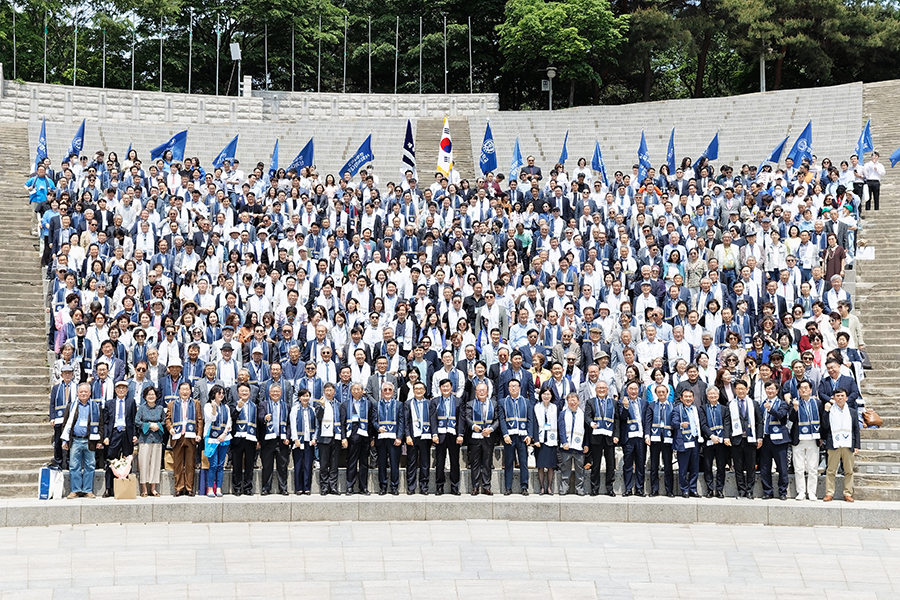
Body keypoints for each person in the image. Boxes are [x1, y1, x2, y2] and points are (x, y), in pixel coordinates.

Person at [60, 383, 105, 498]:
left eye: (86, 392)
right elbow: (65, 424)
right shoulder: (71, 406)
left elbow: (100, 425)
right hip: (75, 440)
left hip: (90, 440)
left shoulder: (95, 407)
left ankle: (87, 490)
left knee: (90, 465)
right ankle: (75, 490)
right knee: (74, 465)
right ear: (77, 393)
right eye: (81, 392)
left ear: (90, 393)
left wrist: (99, 440)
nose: (83, 394)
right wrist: (65, 440)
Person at [724, 379, 763, 499]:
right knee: (738, 467)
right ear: (735, 390)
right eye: (738, 389)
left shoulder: (754, 404)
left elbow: (759, 421)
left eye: (743, 388)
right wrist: (726, 436)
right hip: (736, 439)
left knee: (751, 467)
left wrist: (760, 437)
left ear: (747, 390)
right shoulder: (730, 404)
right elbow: (727, 422)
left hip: (750, 439)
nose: (740, 391)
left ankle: (750, 490)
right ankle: (741, 490)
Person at [821, 388, 859, 502]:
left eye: (842, 396)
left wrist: (856, 445)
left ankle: (847, 493)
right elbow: (825, 426)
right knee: (831, 470)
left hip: (848, 444)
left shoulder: (852, 411)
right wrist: (826, 412)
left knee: (849, 470)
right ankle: (829, 493)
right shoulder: (830, 410)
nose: (840, 398)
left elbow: (856, 429)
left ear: (846, 398)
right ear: (834, 398)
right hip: (834, 443)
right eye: (838, 396)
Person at [165, 381, 202, 496]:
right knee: (178, 464)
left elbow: (199, 420)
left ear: (190, 391)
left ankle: (189, 487)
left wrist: (199, 434)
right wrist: (170, 428)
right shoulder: (172, 404)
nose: (185, 392)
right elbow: (167, 419)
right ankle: (179, 487)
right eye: (183, 389)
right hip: (177, 436)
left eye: (187, 389)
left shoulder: (196, 403)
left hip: (191, 437)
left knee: (190, 464)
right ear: (179, 391)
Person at [498, 378, 533, 495]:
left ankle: (524, 486)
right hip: (509, 437)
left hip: (522, 436)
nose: (513, 388)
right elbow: (501, 420)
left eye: (515, 386)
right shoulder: (502, 402)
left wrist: (529, 435)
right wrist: (505, 434)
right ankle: (508, 487)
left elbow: (530, 419)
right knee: (508, 462)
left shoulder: (526, 402)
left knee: (523, 462)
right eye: (511, 386)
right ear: (508, 389)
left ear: (520, 388)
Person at [789, 379, 823, 501]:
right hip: (798, 439)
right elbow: (792, 419)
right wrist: (795, 408)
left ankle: (812, 492)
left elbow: (822, 421)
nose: (804, 390)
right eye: (801, 388)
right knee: (799, 468)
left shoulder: (818, 403)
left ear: (810, 389)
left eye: (806, 387)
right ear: (798, 390)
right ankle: (801, 491)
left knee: (812, 467)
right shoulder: (794, 403)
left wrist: (821, 437)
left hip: (813, 439)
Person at [102, 380, 137, 498]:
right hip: (114, 433)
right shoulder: (109, 403)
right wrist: (106, 436)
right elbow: (106, 422)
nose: (121, 390)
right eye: (119, 388)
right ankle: (108, 488)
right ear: (115, 390)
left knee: (127, 460)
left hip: (127, 433)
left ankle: (125, 486)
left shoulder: (131, 402)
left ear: (127, 390)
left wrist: (134, 434)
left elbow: (133, 420)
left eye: (124, 388)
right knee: (111, 460)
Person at [429, 378, 464, 496]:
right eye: (443, 387)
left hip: (453, 434)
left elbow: (461, 419)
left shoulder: (458, 401)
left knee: (455, 462)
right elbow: (432, 419)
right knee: (440, 462)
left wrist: (460, 434)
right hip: (440, 435)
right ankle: (439, 486)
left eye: (447, 386)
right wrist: (434, 434)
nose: (445, 388)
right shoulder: (435, 401)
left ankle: (455, 487)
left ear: (451, 388)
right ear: (440, 388)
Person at [759, 381, 790, 500]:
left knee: (782, 467)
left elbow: (781, 415)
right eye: (768, 389)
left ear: (777, 391)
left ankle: (782, 492)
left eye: (772, 389)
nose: (770, 391)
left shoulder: (782, 403)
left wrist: (771, 409)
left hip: (779, 440)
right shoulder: (762, 404)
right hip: (766, 438)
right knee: (765, 467)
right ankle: (767, 491)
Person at [465, 381, 497, 495]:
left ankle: (486, 486)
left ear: (488, 392)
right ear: (475, 392)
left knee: (487, 463)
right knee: (475, 463)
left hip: (488, 437)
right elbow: (467, 417)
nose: (481, 392)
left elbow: (497, 419)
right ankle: (475, 486)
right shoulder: (470, 404)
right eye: (479, 390)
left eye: (484, 390)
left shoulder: (493, 404)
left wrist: (491, 429)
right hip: (475, 437)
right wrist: (474, 426)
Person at [344, 382, 375, 495]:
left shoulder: (368, 404)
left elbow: (372, 421)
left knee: (364, 463)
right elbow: (342, 423)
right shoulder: (346, 404)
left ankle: (363, 487)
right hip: (351, 438)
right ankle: (349, 487)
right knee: (351, 463)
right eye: (354, 389)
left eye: (358, 389)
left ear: (363, 391)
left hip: (365, 438)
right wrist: (344, 438)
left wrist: (371, 437)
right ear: (351, 391)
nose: (356, 391)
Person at [259, 384, 291, 495]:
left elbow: (289, 424)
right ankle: (266, 488)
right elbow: (259, 418)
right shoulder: (263, 405)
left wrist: (287, 437)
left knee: (282, 466)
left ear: (281, 393)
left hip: (282, 440)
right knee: (267, 465)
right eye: (273, 392)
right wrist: (264, 418)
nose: (275, 394)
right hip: (268, 440)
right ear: (269, 393)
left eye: (277, 391)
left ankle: (283, 488)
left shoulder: (286, 406)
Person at [644, 383, 674, 497]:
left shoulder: (672, 405)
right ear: (656, 394)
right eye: (659, 392)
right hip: (655, 438)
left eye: (663, 392)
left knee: (668, 465)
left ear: (667, 393)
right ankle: (654, 489)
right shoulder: (651, 405)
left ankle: (669, 490)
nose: (661, 393)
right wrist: (647, 435)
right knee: (654, 465)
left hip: (668, 438)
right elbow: (648, 421)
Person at [315, 382, 345, 495]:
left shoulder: (338, 404)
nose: (328, 392)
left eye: (331, 390)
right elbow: (318, 417)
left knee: (334, 464)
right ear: (324, 392)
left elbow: (342, 422)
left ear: (334, 392)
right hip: (324, 438)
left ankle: (333, 486)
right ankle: (324, 487)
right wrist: (322, 406)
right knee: (323, 464)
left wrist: (342, 437)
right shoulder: (320, 403)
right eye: (326, 390)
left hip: (336, 437)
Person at [375, 381, 405, 495]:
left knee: (394, 463)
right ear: (381, 392)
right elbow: (373, 420)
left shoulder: (399, 404)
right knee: (381, 463)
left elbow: (401, 421)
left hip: (394, 439)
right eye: (385, 390)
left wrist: (399, 437)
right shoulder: (376, 404)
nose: (387, 392)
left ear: (393, 392)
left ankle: (394, 486)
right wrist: (378, 427)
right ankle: (382, 486)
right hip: (381, 438)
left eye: (389, 390)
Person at [230, 381, 259, 496]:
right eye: (242, 391)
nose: (244, 393)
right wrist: (238, 408)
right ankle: (237, 487)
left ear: (250, 392)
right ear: (238, 393)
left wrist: (258, 439)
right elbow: (231, 418)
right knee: (236, 465)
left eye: (246, 391)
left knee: (249, 464)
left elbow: (258, 423)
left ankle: (247, 487)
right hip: (237, 438)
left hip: (251, 438)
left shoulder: (254, 406)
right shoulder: (233, 405)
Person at [672, 389, 702, 498]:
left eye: (690, 396)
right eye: (686, 396)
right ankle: (684, 489)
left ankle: (693, 489)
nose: (688, 399)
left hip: (694, 440)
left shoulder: (696, 409)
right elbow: (673, 423)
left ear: (693, 398)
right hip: (683, 441)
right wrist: (681, 424)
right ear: (681, 398)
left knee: (695, 467)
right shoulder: (677, 409)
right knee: (683, 468)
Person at [404, 381, 433, 494]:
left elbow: (433, 420)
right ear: (413, 390)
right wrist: (407, 435)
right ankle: (411, 487)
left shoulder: (429, 403)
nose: (419, 391)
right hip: (413, 436)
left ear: (425, 391)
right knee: (411, 462)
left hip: (426, 436)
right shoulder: (408, 403)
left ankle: (424, 487)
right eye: (416, 388)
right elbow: (406, 422)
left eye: (421, 388)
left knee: (425, 463)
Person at [135, 386, 165, 497]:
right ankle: (144, 489)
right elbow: (137, 421)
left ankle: (153, 488)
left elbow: (164, 421)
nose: (151, 396)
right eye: (149, 395)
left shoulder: (160, 408)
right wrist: (148, 425)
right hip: (145, 439)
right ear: (145, 396)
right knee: (144, 464)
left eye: (153, 394)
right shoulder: (142, 408)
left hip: (157, 439)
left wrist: (157, 425)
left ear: (156, 396)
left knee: (155, 464)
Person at [202, 384, 231, 497]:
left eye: (223, 393)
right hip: (211, 438)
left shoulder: (226, 407)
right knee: (213, 464)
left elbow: (229, 423)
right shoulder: (208, 406)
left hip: (223, 438)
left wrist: (224, 434)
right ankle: (210, 488)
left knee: (220, 464)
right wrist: (214, 407)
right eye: (219, 393)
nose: (221, 395)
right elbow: (211, 418)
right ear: (214, 394)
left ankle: (218, 488)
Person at [619, 380, 647, 496]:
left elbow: (647, 420)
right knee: (628, 464)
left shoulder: (644, 403)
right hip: (628, 438)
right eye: (631, 389)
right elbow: (622, 417)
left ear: (639, 390)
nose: (633, 391)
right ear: (627, 391)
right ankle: (628, 488)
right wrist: (625, 407)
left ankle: (640, 488)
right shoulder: (622, 402)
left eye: (636, 389)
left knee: (641, 464)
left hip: (640, 437)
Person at [558, 392, 588, 496]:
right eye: (570, 400)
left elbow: (587, 431)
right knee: (565, 469)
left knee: (580, 469)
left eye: (574, 400)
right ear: (567, 402)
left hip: (579, 447)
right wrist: (563, 442)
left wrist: (586, 444)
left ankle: (579, 488)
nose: (572, 402)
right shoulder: (563, 414)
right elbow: (561, 429)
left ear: (578, 402)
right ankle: (564, 488)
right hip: (566, 447)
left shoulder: (583, 414)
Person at [700, 386, 727, 498]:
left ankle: (719, 489)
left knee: (721, 466)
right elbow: (703, 424)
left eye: (714, 394)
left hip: (721, 442)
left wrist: (724, 437)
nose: (712, 396)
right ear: (707, 396)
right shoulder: (703, 408)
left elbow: (727, 424)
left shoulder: (724, 408)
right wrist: (711, 436)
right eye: (710, 394)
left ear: (718, 395)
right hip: (709, 441)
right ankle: (710, 489)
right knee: (708, 466)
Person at [290, 388, 317, 495]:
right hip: (298, 441)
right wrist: (295, 438)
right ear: (299, 397)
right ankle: (298, 487)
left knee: (308, 465)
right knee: (298, 465)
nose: (305, 398)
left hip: (309, 441)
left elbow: (316, 426)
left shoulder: (313, 410)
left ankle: (307, 487)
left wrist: (314, 438)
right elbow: (292, 425)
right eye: (303, 396)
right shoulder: (295, 409)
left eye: (307, 396)